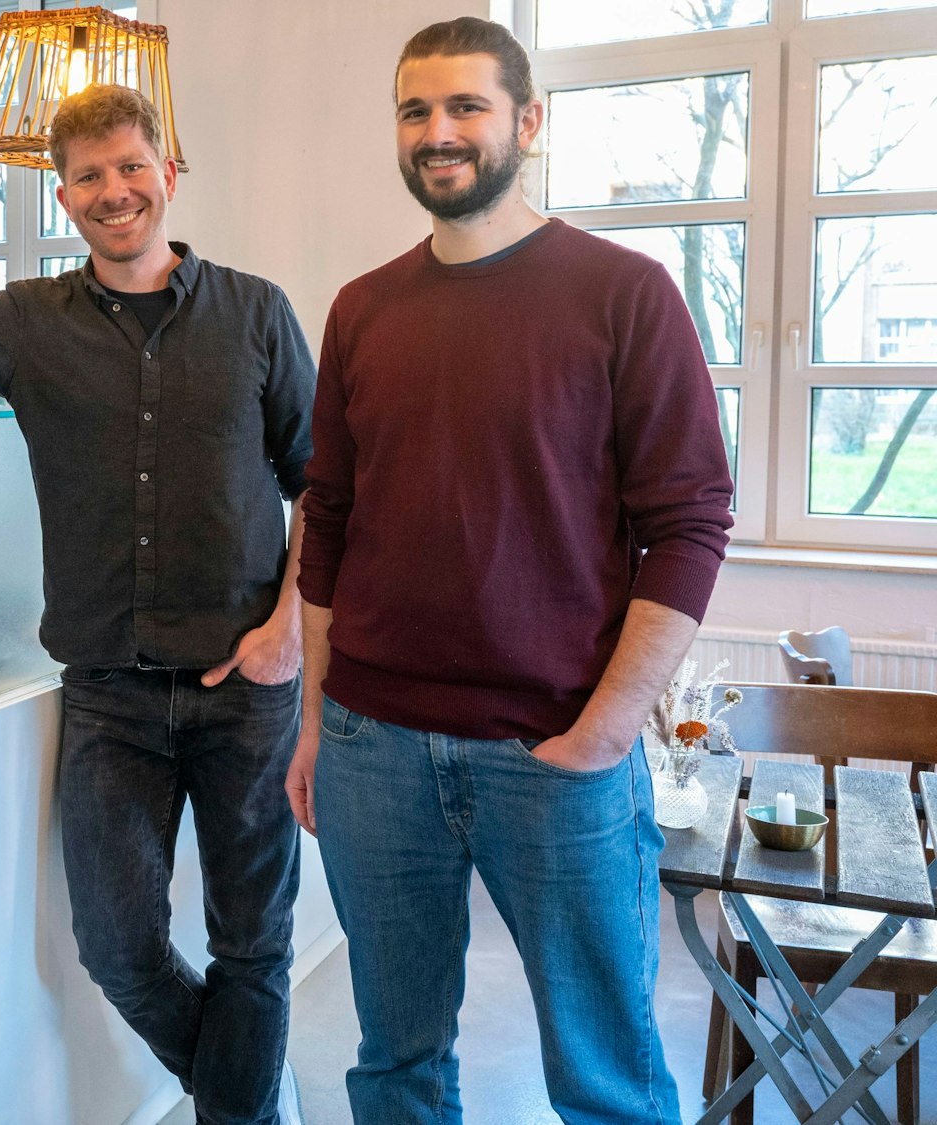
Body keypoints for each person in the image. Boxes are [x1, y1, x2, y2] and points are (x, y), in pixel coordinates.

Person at [0, 85, 315, 1125]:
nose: (113, 192)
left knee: (253, 947)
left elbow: (317, 484)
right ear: (63, 197)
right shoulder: (25, 322)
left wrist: (288, 631)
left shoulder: (256, 312)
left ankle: (238, 1109)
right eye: (88, 177)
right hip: (107, 700)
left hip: (247, 689)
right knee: (116, 947)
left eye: (129, 167)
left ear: (168, 174)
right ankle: (245, 1101)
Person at [287, 18, 734, 1124]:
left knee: (606, 1079)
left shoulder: (622, 294)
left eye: (463, 107)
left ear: (525, 122)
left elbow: (686, 524)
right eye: (413, 110)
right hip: (371, 748)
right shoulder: (361, 309)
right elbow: (327, 524)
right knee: (394, 1060)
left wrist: (606, 730)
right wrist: (310, 724)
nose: (437, 133)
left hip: (556, 755)